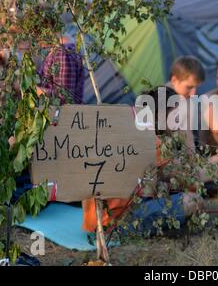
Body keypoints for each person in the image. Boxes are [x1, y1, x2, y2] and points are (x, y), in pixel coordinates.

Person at [82, 86, 203, 234]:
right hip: (114, 225)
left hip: (93, 220)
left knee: (160, 185)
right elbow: (192, 182)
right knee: (192, 200)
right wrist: (187, 137)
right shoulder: (156, 144)